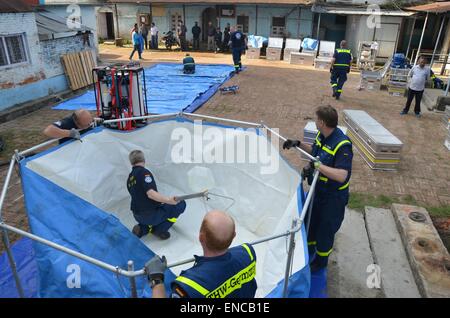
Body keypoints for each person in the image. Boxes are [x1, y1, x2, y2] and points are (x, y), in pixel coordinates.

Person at [283, 105, 353, 272]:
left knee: (325, 230)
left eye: (316, 119)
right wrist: (298, 144)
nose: (314, 122)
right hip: (318, 191)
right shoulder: (323, 136)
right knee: (311, 222)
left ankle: (320, 262)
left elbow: (342, 175)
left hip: (333, 197)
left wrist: (318, 166)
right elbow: (315, 153)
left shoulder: (342, 145)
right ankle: (309, 251)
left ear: (322, 122)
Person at [144, 210, 257, 298]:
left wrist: (156, 279)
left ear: (201, 237)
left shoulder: (189, 286)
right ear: (234, 236)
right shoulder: (248, 253)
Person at [127, 150, 186, 240]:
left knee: (155, 214)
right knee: (180, 204)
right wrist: (169, 200)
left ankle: (142, 229)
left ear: (131, 162)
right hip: (151, 215)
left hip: (137, 215)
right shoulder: (144, 173)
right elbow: (151, 194)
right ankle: (160, 229)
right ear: (143, 159)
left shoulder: (129, 179)